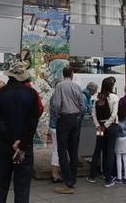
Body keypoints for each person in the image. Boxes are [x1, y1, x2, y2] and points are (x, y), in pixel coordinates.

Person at [0, 61, 42, 203]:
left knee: (0, 188)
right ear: (23, 77)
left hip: (2, 146)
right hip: (23, 149)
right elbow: (33, 122)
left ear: (10, 76)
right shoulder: (31, 94)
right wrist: (21, 143)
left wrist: (10, 141)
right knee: (22, 189)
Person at [51, 66, 84, 194]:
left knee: (62, 150)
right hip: (75, 118)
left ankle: (68, 181)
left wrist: (59, 115)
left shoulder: (59, 86)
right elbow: (81, 104)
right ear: (71, 74)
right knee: (73, 150)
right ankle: (73, 179)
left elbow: (57, 104)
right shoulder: (76, 86)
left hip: (64, 118)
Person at [90, 76, 118, 188]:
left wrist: (98, 126)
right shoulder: (114, 97)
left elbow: (93, 114)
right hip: (111, 127)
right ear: (111, 86)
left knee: (98, 149)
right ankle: (108, 178)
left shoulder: (97, 98)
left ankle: (92, 176)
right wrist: (106, 126)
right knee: (110, 151)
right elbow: (114, 114)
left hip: (100, 128)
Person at [48, 93, 62, 183]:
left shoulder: (53, 97)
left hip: (54, 126)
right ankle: (55, 174)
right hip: (56, 126)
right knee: (57, 150)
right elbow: (58, 113)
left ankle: (56, 172)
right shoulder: (57, 98)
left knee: (57, 149)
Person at [114, 109, 126, 184]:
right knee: (125, 157)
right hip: (125, 138)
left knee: (118, 157)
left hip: (118, 138)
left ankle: (119, 177)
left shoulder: (116, 118)